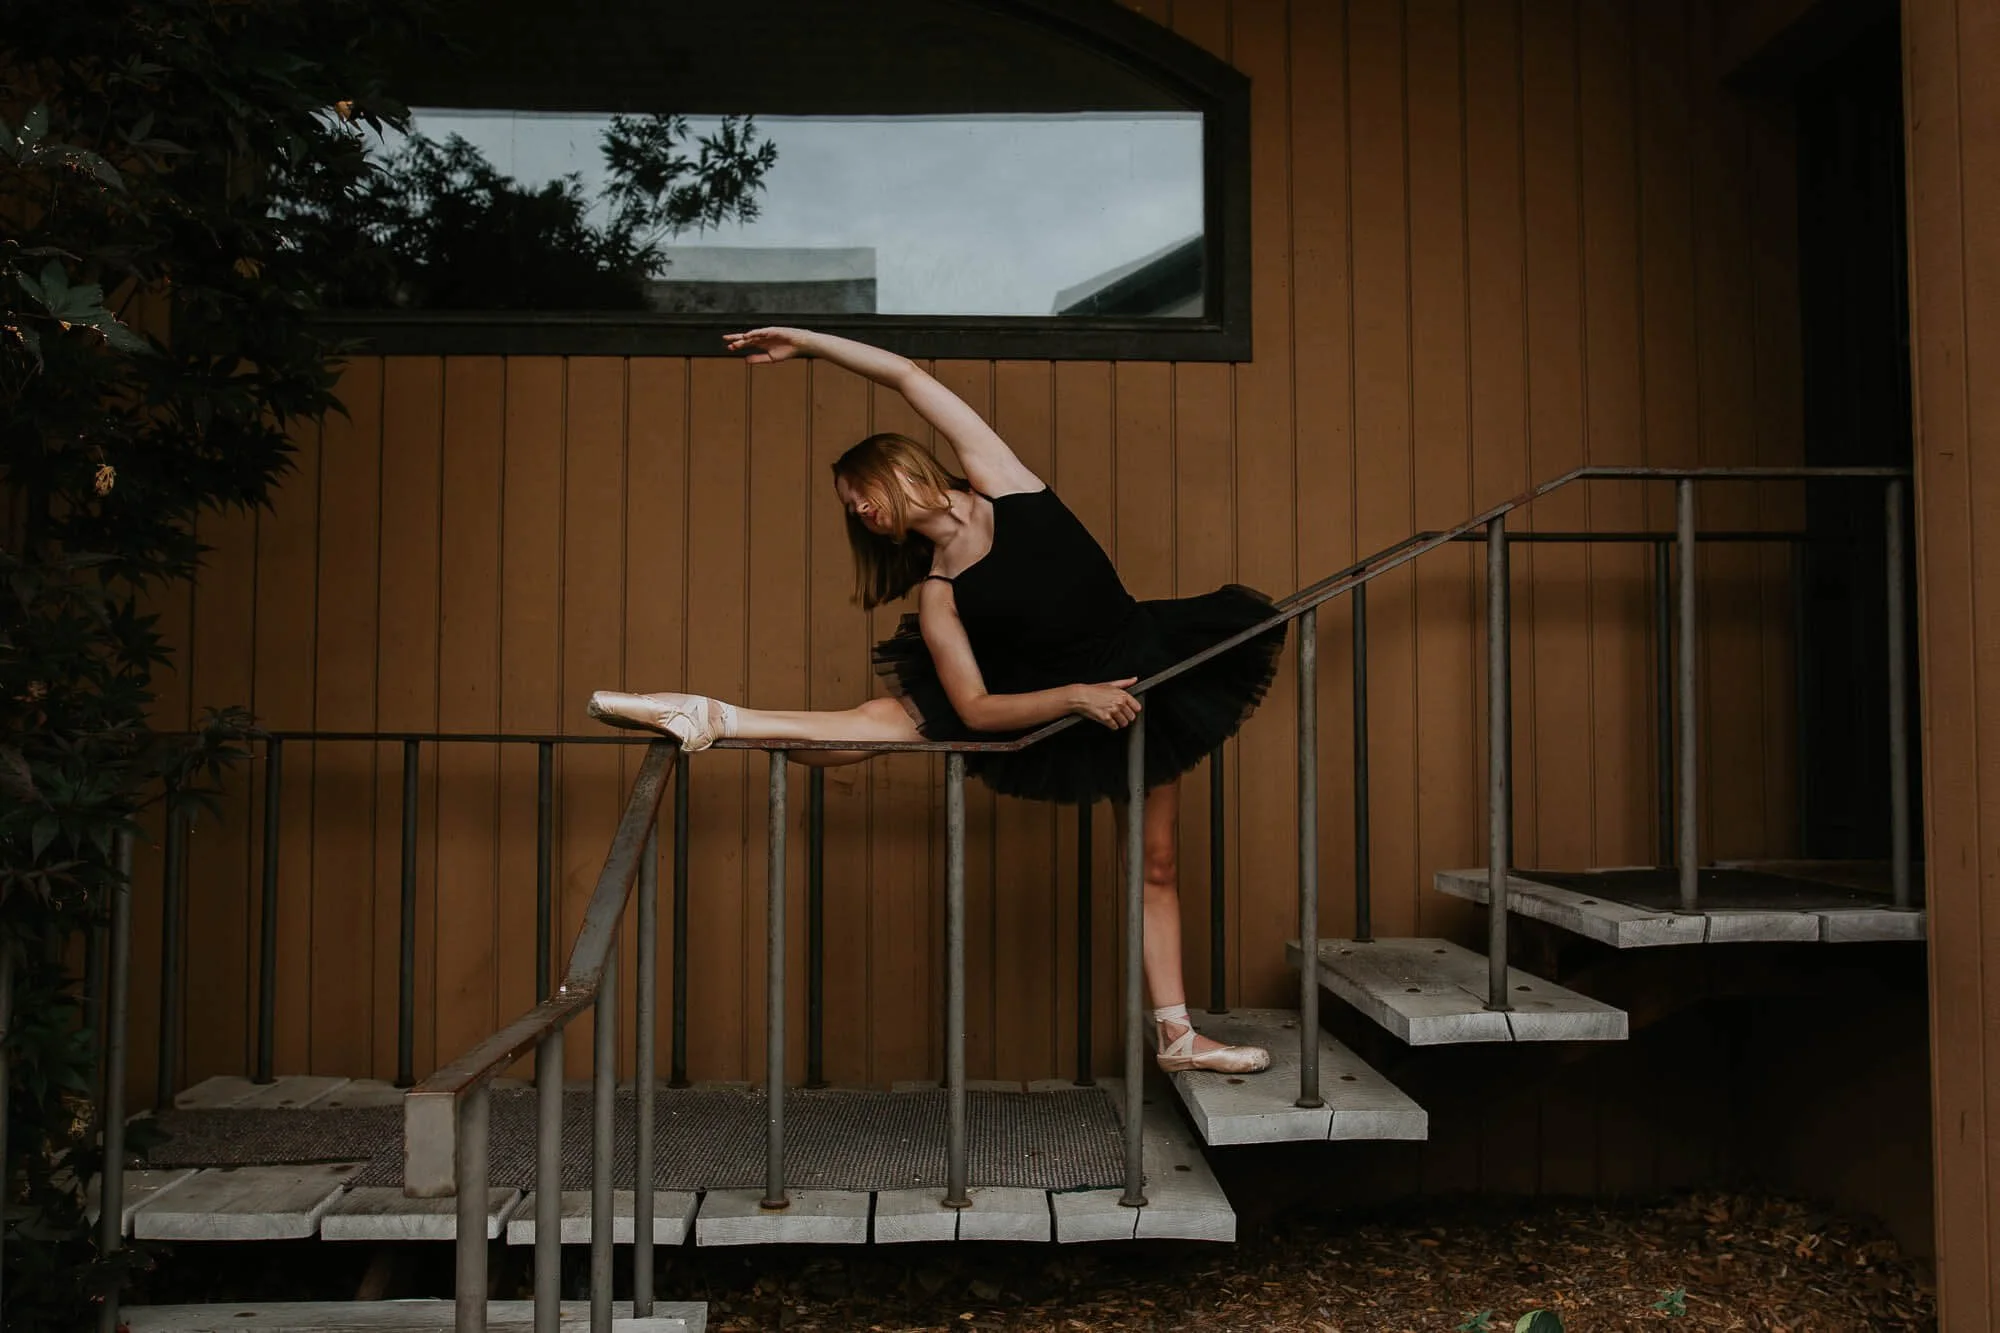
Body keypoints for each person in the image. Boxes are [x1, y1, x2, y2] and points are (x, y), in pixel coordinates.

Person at [589, 328, 1286, 1074]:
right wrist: (1073, 698)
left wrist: (808, 343)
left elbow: (906, 374)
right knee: (860, 735)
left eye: (857, 494)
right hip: (1051, 698)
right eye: (848, 507)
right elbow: (981, 710)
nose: (856, 510)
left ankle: (1177, 1036)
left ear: (895, 470)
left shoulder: (1005, 484)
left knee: (1154, 863)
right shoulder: (938, 594)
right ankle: (714, 716)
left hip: (1145, 670)